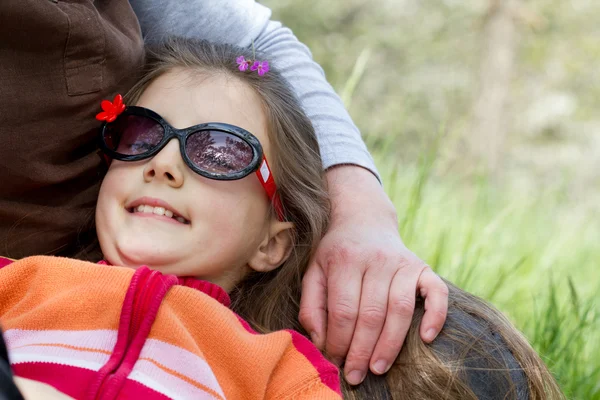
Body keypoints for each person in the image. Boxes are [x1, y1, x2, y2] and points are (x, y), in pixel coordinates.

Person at [1, 38, 563, 400]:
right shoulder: (21, 284)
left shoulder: (279, 370)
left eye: (219, 151)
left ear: (272, 244)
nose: (164, 163)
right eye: (141, 134)